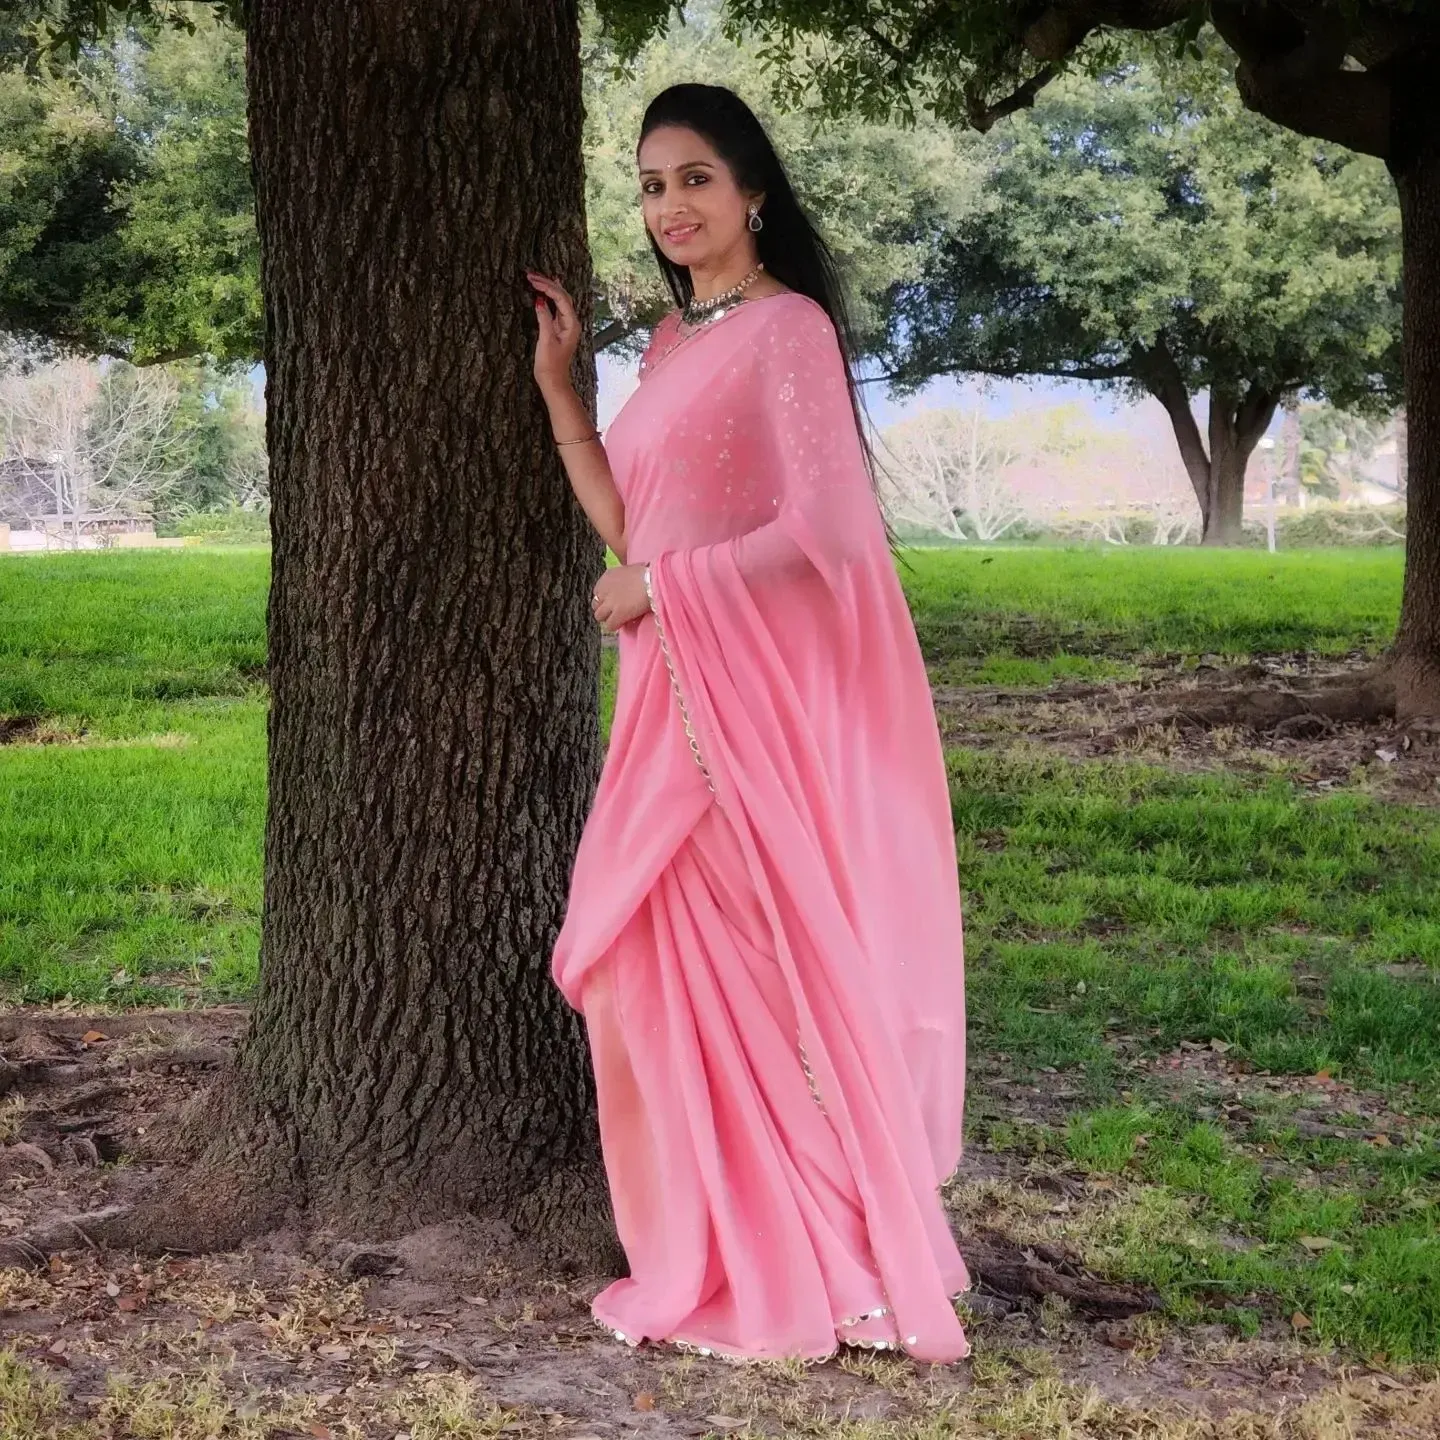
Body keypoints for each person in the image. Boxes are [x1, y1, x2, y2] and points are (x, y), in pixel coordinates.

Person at [527, 83, 969, 1365]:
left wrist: (661, 589)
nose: (671, 207)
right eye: (653, 186)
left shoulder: (789, 334)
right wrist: (562, 389)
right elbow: (630, 525)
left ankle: (826, 1257)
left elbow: (824, 538)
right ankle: (717, 1235)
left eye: (696, 180)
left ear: (755, 190)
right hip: (668, 692)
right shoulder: (673, 350)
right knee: (651, 973)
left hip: (738, 706)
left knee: (755, 973)